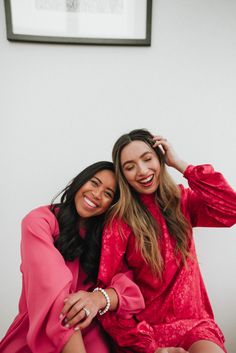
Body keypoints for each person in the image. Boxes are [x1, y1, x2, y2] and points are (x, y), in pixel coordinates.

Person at [96, 129, 236, 353]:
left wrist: (180, 164)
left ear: (160, 158)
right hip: (146, 332)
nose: (142, 171)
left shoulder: (182, 200)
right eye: (130, 167)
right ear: (123, 176)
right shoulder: (119, 222)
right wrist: (151, 348)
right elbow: (108, 290)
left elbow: (231, 209)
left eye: (148, 158)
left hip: (195, 325)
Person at [0, 161, 145, 353]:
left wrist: (98, 299)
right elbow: (53, 290)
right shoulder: (39, 221)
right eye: (94, 183)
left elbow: (131, 291)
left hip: (91, 334)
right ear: (80, 181)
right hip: (37, 334)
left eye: (108, 193)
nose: (96, 194)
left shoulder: (108, 239)